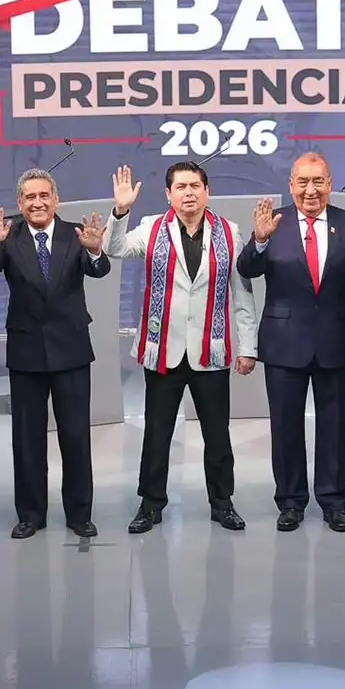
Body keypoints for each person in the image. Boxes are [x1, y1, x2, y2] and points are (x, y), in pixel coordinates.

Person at [106, 161, 257, 535]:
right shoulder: (151, 229)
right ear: (168, 195)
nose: (188, 193)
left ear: (207, 191)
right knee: (156, 433)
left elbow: (241, 293)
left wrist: (248, 346)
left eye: (195, 185)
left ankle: (222, 503)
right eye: (181, 187)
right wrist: (121, 210)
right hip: (163, 350)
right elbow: (113, 248)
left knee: (217, 435)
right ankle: (150, 504)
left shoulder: (229, 232)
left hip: (211, 349)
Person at [239, 151, 345, 532]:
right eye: (303, 182)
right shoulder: (274, 223)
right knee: (285, 426)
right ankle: (291, 501)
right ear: (291, 185)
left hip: (336, 342)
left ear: (330, 184)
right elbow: (246, 269)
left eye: (318, 181)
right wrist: (260, 241)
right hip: (284, 342)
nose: (311, 190)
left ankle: (333, 500)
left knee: (335, 425)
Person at [0, 170, 110, 538]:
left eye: (44, 196)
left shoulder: (76, 234)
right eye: (29, 197)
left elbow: (99, 269)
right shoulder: (8, 235)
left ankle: (80, 513)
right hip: (26, 351)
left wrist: (96, 249)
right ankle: (31, 514)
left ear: (56, 199)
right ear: (20, 203)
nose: (37, 203)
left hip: (71, 350)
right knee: (28, 437)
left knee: (76, 436)